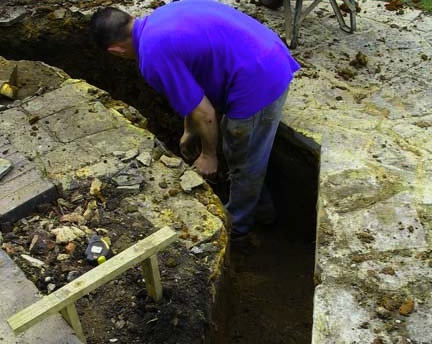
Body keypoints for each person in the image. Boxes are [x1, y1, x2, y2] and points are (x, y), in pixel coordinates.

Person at [90, 0, 300, 243]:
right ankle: (264, 213)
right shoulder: (159, 19)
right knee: (246, 152)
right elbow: (194, 90)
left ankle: (239, 228)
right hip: (264, 51)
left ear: (115, 50)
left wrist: (209, 156)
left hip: (258, 79)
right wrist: (189, 129)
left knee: (244, 158)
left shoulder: (152, 56)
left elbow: (206, 114)